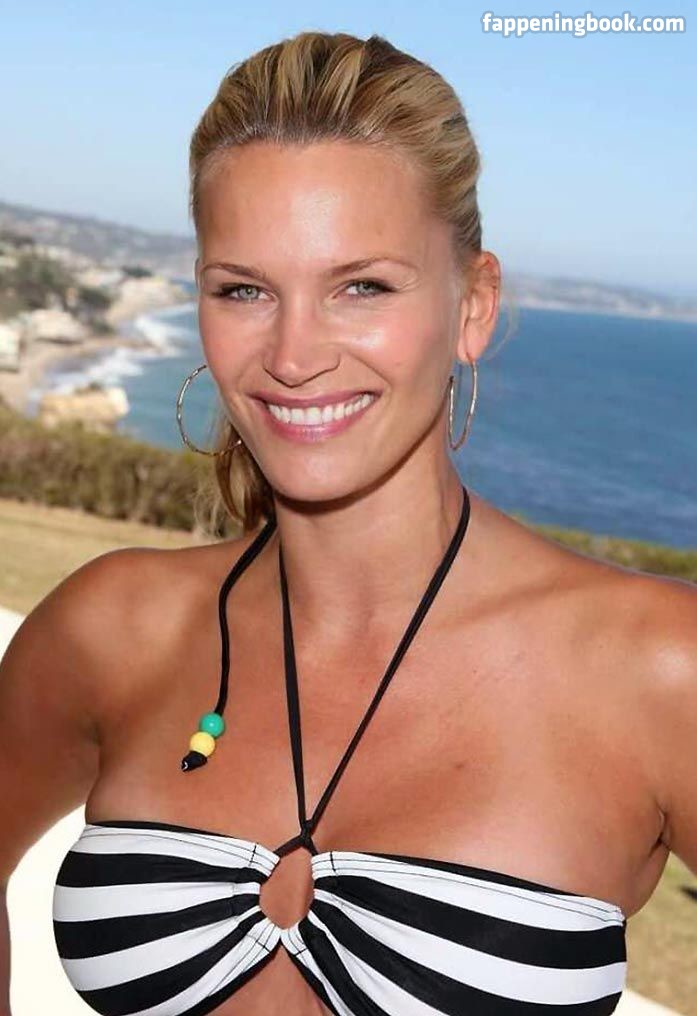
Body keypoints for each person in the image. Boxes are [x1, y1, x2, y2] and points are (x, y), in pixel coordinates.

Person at [1, 29, 696, 1016]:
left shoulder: (656, 668)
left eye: (360, 286)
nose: (293, 355)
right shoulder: (111, 629)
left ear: (473, 305)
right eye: (244, 290)